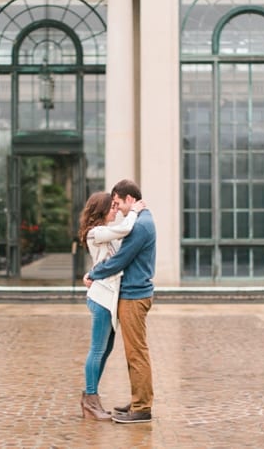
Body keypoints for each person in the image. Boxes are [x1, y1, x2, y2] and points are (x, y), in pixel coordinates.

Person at [83, 179, 156, 424]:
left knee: (134, 352)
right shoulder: (101, 231)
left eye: (118, 204)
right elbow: (115, 255)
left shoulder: (140, 224)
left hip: (130, 296)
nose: (118, 209)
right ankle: (97, 399)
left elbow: (119, 259)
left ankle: (141, 406)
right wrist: (93, 274)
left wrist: (93, 273)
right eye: (112, 206)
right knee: (104, 350)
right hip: (107, 298)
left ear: (129, 199)